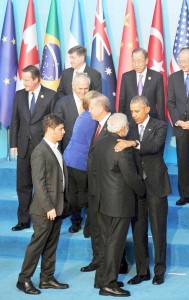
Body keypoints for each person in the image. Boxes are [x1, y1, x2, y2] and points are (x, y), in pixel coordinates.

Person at [115, 96, 171, 285]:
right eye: (131, 111)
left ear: (147, 109)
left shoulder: (160, 126)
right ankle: (142, 271)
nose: (133, 115)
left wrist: (133, 143)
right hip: (137, 187)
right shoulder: (128, 128)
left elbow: (155, 146)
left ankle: (159, 271)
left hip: (156, 185)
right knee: (138, 231)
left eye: (137, 111)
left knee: (158, 230)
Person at [16, 113, 69, 295]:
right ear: (50, 129)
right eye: (61, 129)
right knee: (37, 245)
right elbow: (38, 183)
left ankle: (47, 278)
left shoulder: (55, 147)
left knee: (51, 245)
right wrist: (49, 207)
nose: (64, 131)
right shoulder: (40, 151)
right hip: (44, 210)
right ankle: (23, 280)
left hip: (57, 207)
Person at [93, 113, 145, 297]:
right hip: (119, 204)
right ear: (123, 128)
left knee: (106, 242)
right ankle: (108, 284)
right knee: (115, 244)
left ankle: (101, 278)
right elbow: (131, 178)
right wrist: (142, 191)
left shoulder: (100, 142)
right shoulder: (122, 149)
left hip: (102, 201)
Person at [80, 95, 128, 275]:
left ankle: (115, 263)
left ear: (102, 107)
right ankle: (98, 259)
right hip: (94, 187)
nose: (89, 110)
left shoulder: (115, 125)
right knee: (96, 225)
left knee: (111, 230)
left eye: (92, 107)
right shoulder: (97, 126)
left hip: (109, 189)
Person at [10, 65, 56, 231]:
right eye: (23, 79)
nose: (24, 82)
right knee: (22, 184)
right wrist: (13, 144)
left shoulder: (51, 96)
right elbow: (15, 120)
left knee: (43, 182)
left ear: (37, 79)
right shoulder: (19, 95)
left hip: (42, 147)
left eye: (27, 80)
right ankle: (23, 220)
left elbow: (53, 123)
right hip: (23, 146)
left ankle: (43, 217)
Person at [54, 72, 90, 233]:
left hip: (90, 156)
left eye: (86, 88)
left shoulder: (94, 101)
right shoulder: (62, 103)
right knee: (73, 191)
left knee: (90, 190)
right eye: (80, 88)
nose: (83, 92)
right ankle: (75, 220)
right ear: (73, 87)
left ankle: (91, 222)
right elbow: (57, 131)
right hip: (70, 157)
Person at [168, 47, 189, 206]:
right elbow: (171, 102)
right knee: (182, 161)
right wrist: (178, 121)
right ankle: (185, 195)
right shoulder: (173, 78)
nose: (182, 63)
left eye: (185, 60)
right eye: (179, 60)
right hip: (181, 127)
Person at [63, 91, 99, 233]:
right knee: (88, 195)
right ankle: (89, 228)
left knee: (74, 194)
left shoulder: (83, 115)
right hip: (80, 162)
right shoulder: (92, 118)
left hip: (70, 159)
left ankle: (75, 223)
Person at [119, 47, 165, 124]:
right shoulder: (126, 77)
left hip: (150, 121)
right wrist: (120, 122)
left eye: (139, 61)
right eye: (134, 61)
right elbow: (122, 101)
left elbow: (160, 103)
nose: (136, 64)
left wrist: (161, 125)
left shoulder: (156, 77)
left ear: (146, 61)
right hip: (131, 122)